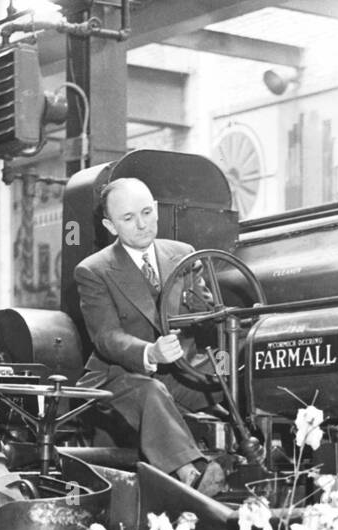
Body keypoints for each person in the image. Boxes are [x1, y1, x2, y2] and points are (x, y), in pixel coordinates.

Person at [74, 176, 226, 494]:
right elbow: (107, 337)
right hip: (117, 378)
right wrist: (150, 352)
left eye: (146, 212)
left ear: (155, 209)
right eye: (128, 218)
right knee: (151, 391)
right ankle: (191, 475)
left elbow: (207, 314)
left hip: (179, 371)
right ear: (110, 226)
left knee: (232, 375)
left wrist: (218, 320)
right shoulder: (93, 270)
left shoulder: (183, 255)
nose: (142, 224)